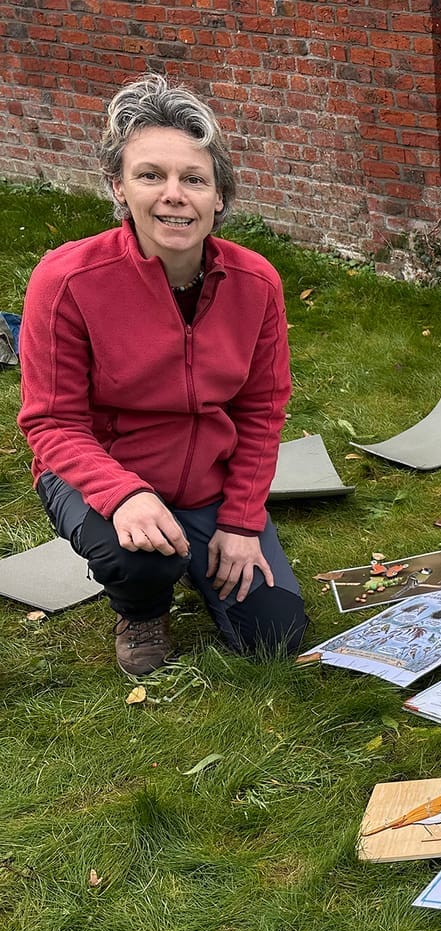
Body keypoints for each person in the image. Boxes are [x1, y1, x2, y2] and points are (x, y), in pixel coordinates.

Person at [18, 72, 307, 676]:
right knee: (142, 558)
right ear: (118, 188)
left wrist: (240, 522)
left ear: (218, 197)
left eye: (194, 179)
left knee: (275, 638)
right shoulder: (65, 280)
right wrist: (124, 494)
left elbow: (261, 411)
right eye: (151, 175)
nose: (174, 194)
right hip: (99, 473)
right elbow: (52, 421)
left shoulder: (257, 283)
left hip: (207, 485)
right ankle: (142, 608)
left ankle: (201, 550)